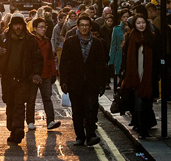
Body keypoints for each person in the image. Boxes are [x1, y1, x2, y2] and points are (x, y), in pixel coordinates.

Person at [0, 13, 43, 145]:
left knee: (19, 104)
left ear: (24, 25)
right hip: (7, 77)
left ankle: (18, 128)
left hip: (23, 78)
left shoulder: (30, 40)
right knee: (9, 103)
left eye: (20, 24)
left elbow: (37, 59)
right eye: (15, 24)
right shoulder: (4, 38)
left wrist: (37, 73)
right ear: (11, 25)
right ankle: (12, 129)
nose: (18, 27)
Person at [60, 15, 107, 146]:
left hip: (92, 83)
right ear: (77, 27)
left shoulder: (97, 43)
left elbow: (101, 64)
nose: (84, 27)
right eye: (82, 25)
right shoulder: (70, 42)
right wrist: (64, 81)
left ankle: (91, 135)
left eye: (87, 25)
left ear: (90, 27)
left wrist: (102, 83)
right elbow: (64, 63)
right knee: (77, 111)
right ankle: (80, 136)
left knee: (91, 109)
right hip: (75, 82)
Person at [121, 14, 159, 139]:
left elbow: (157, 58)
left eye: (143, 22)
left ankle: (143, 125)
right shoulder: (131, 38)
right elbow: (126, 58)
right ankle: (141, 128)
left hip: (148, 76)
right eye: (138, 23)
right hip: (135, 76)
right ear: (135, 25)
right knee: (138, 103)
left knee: (147, 103)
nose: (141, 25)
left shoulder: (152, 38)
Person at [27, 18, 61, 130]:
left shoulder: (47, 42)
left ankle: (50, 121)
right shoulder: (31, 41)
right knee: (31, 100)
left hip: (46, 75)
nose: (43, 29)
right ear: (35, 29)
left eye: (44, 27)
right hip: (33, 76)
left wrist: (53, 72)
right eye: (40, 27)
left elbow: (51, 58)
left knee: (47, 98)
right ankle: (30, 121)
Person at [109, 9, 131, 78]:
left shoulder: (133, 29)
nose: (126, 19)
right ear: (121, 18)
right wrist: (111, 61)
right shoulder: (116, 29)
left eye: (127, 17)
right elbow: (113, 45)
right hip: (119, 54)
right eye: (124, 17)